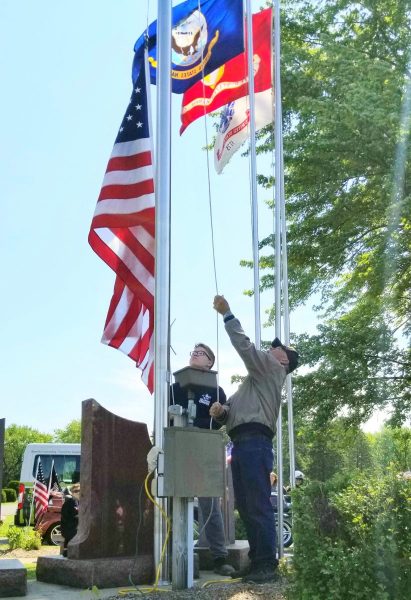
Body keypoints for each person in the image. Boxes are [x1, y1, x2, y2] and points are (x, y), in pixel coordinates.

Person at [210, 295, 299, 583]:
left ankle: (266, 565)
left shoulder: (272, 369)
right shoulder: (254, 383)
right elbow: (231, 413)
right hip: (243, 444)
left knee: (257, 504)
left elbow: (245, 348)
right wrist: (221, 411)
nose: (271, 350)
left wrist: (227, 315)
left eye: (276, 349)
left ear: (283, 359)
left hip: (255, 443)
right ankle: (258, 561)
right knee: (247, 505)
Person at [171, 343, 235, 576]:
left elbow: (224, 419)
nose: (195, 355)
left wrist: (220, 412)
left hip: (205, 449)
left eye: (200, 353)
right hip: (180, 449)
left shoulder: (217, 392)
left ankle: (220, 558)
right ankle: (176, 555)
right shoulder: (175, 387)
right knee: (174, 500)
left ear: (210, 362)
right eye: (193, 353)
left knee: (210, 506)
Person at [60, 483, 80, 556]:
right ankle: (67, 551)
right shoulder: (68, 503)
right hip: (70, 528)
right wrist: (77, 516)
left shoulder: (81, 502)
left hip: (79, 528)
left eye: (80, 490)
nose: (78, 492)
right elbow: (65, 517)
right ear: (72, 492)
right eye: (76, 491)